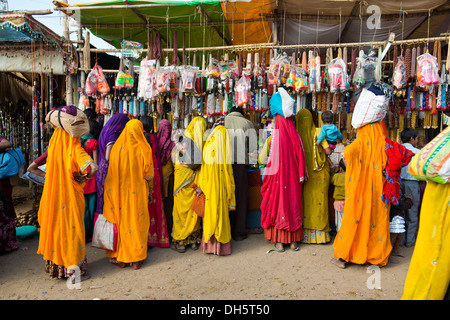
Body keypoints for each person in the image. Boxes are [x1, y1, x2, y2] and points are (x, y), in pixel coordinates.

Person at [37, 114, 98, 280]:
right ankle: (73, 270)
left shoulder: (53, 149)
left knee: (57, 228)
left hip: (54, 196)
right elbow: (93, 167)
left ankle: (57, 268)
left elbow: (33, 167)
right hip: (71, 197)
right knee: (72, 230)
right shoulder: (75, 149)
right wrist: (85, 177)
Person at [331, 121, 391, 269]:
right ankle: (373, 257)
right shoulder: (384, 142)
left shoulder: (360, 141)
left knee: (354, 218)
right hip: (378, 191)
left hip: (359, 191)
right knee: (375, 220)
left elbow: (348, 153)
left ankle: (345, 256)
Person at [102, 119, 154, 269]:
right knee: (137, 222)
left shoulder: (117, 148)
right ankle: (136, 258)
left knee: (122, 222)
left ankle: (120, 257)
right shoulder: (143, 148)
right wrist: (149, 190)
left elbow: (110, 172)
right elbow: (149, 174)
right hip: (137, 193)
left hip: (118, 195)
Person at [260, 88, 308, 252]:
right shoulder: (296, 136)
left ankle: (279, 240)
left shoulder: (273, 137)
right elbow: (301, 158)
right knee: (292, 204)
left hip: (277, 180)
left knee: (278, 204)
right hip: (293, 180)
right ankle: (294, 241)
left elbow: (261, 159)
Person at [401, 180, 450, 299]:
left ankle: (405, 242)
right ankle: (409, 242)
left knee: (411, 217)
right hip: (424, 186)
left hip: (429, 187)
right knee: (414, 218)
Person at [197, 123, 236, 255]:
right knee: (221, 217)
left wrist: (203, 187)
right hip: (220, 192)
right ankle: (221, 248)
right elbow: (228, 175)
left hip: (209, 192)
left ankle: (209, 247)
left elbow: (202, 172)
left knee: (210, 216)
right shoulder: (224, 154)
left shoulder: (208, 148)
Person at [296, 109, 332, 244]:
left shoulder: (296, 135)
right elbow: (327, 150)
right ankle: (320, 237)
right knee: (320, 203)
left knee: (305, 203)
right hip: (320, 175)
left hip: (303, 176)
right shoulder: (318, 131)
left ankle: (306, 236)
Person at [171, 116, 206, 253]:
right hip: (194, 180)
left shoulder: (182, 142)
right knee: (193, 209)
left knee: (181, 210)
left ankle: (181, 241)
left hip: (181, 180)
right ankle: (194, 241)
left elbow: (174, 160)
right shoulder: (202, 143)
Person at [224, 106, 256, 241]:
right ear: (242, 114)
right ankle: (239, 232)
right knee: (240, 197)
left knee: (226, 195)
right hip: (240, 164)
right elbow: (253, 147)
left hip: (223, 164)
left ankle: (225, 231)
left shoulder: (222, 121)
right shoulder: (247, 123)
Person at [140, 115, 170, 248]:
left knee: (145, 204)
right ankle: (158, 236)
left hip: (143, 172)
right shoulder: (154, 138)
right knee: (156, 203)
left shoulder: (137, 137)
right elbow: (158, 156)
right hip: (155, 172)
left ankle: (145, 237)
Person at [95, 113, 129, 217]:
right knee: (107, 199)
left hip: (101, 167)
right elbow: (108, 155)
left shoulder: (106, 130)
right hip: (108, 170)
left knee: (102, 198)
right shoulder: (113, 135)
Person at [399, 128, 421, 247]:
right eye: (417, 138)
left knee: (400, 212)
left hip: (398, 183)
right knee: (412, 214)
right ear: (412, 138)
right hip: (412, 184)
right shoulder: (417, 152)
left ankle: (400, 241)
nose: (417, 141)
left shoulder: (397, 149)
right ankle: (410, 241)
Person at [81, 119, 100, 242]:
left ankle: (82, 232)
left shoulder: (78, 141)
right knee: (92, 208)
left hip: (81, 177)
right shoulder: (93, 142)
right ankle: (91, 233)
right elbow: (96, 163)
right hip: (91, 178)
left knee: (83, 208)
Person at [157, 119, 175, 242]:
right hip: (170, 178)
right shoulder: (173, 144)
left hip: (158, 178)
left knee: (160, 205)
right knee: (169, 205)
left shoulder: (155, 141)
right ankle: (168, 231)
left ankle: (160, 232)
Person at [0, 136, 18, 254]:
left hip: (1, 180)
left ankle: (8, 242)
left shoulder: (1, 139)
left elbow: (8, 143)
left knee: (6, 207)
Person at [389, 183, 412, 262]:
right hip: (394, 218)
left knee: (399, 236)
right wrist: (409, 200)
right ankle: (389, 255)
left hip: (399, 218)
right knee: (393, 236)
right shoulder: (393, 197)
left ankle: (395, 251)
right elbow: (403, 205)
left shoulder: (398, 195)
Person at [331, 158, 346, 233]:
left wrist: (334, 171)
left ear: (340, 168)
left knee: (339, 222)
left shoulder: (337, 176)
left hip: (338, 202)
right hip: (348, 201)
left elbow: (331, 180)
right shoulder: (351, 177)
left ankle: (340, 236)